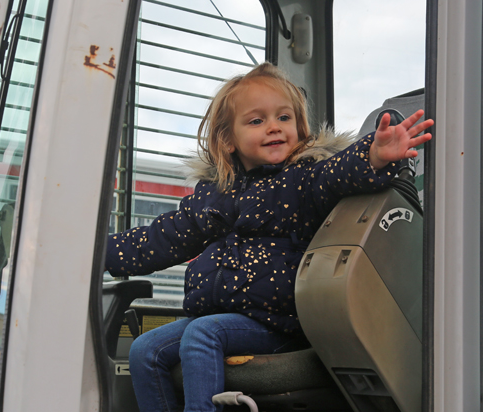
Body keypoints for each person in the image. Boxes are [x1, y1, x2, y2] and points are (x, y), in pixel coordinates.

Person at [106, 62, 433, 412]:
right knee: (145, 350)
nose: (274, 127)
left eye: (284, 117)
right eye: (257, 121)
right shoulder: (214, 196)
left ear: (299, 127)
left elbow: (336, 174)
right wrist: (94, 253)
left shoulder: (301, 181)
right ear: (228, 140)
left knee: (203, 334)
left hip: (277, 322)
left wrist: (373, 155)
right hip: (223, 317)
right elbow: (161, 238)